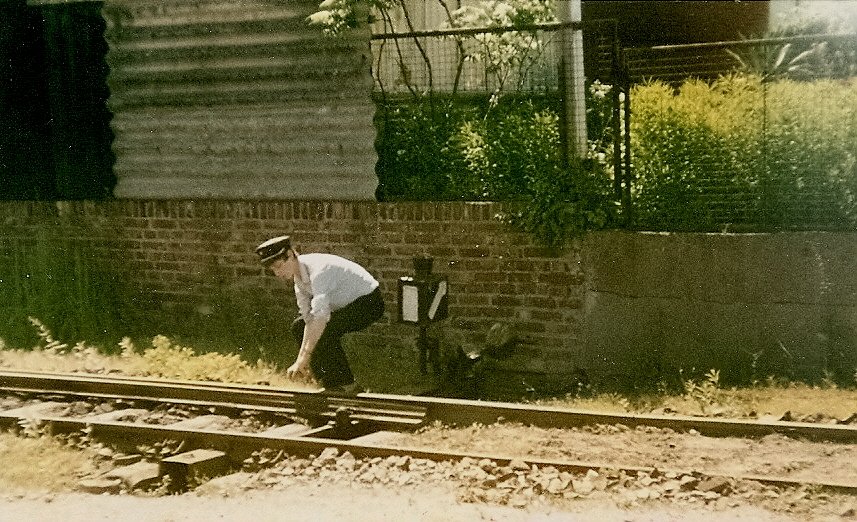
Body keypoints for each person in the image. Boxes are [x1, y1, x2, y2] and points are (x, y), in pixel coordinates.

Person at [255, 235, 384, 391]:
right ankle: (327, 383)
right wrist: (301, 360)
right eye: (273, 270)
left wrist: (303, 358)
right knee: (298, 326)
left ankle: (348, 386)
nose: (277, 273)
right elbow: (309, 319)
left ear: (290, 255)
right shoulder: (299, 280)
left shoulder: (319, 271)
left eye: (278, 266)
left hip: (369, 302)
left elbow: (321, 318)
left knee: (326, 330)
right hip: (347, 305)